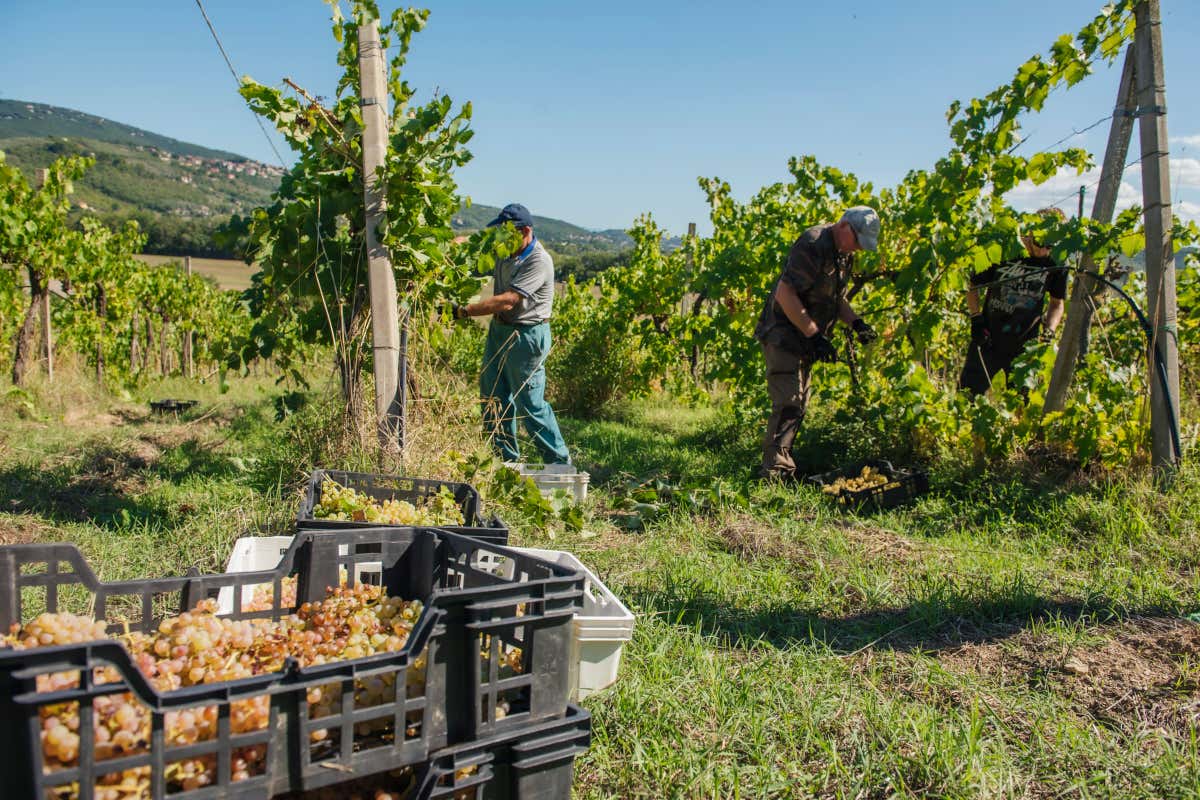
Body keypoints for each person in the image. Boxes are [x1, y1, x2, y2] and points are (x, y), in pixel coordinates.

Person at [754, 206, 881, 480]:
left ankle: (781, 464)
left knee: (799, 403)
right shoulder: (813, 243)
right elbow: (785, 293)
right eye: (858, 241)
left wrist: (857, 324)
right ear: (845, 226)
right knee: (789, 401)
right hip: (784, 332)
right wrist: (815, 335)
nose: (859, 249)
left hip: (806, 339)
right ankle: (774, 472)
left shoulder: (843, 255)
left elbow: (836, 299)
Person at [450, 203, 571, 464]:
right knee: (493, 397)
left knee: (530, 404)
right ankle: (504, 462)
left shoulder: (538, 260)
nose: (501, 237)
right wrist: (461, 242)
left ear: (525, 231)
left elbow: (507, 301)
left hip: (527, 336)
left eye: (507, 232)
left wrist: (464, 311)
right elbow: (479, 244)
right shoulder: (505, 249)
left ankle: (559, 463)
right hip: (500, 332)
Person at [959, 207, 1067, 396]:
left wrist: (1049, 330)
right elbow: (972, 285)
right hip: (988, 338)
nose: (1043, 251)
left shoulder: (1056, 263)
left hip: (1025, 348)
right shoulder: (1007, 250)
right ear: (1030, 233)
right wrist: (976, 318)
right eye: (1039, 243)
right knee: (966, 396)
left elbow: (1057, 304)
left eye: (1049, 246)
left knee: (1020, 404)